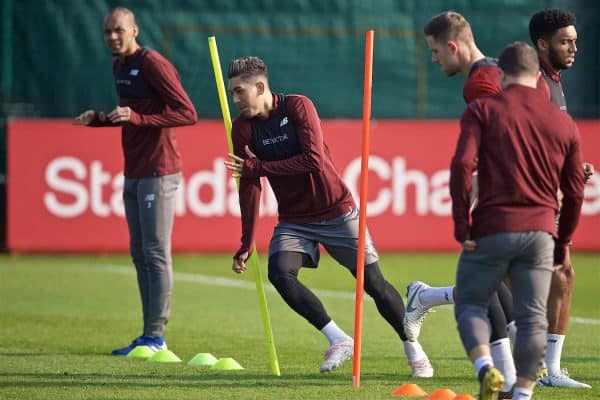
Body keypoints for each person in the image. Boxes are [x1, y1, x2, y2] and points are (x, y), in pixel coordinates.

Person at [223, 56, 433, 377]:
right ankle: (338, 339)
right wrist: (246, 239)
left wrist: (259, 167)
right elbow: (249, 184)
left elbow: (313, 160)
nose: (235, 99)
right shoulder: (243, 128)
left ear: (261, 86)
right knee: (280, 274)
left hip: (337, 210)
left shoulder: (297, 107)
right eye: (232, 93)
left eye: (239, 92)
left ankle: (413, 348)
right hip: (294, 219)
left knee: (373, 284)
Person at [451, 41, 584, 400]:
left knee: (470, 302)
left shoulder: (483, 110)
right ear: (537, 76)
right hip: (541, 231)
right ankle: (524, 394)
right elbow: (574, 192)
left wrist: (462, 223)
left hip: (493, 226)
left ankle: (485, 367)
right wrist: (564, 238)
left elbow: (463, 165)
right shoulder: (563, 122)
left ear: (502, 74)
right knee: (532, 318)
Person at [74, 7, 197, 355]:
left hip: (160, 170)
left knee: (156, 252)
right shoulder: (119, 66)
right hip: (135, 170)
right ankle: (147, 335)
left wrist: (139, 118)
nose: (113, 36)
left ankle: (156, 337)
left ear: (135, 30)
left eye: (119, 30)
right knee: (139, 253)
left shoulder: (153, 64)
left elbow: (187, 113)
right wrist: (101, 120)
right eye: (107, 31)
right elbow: (131, 116)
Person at [406, 11, 517, 395]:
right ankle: (510, 377)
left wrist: (478, 181)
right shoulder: (502, 71)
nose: (434, 59)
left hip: (505, 198)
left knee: (483, 284)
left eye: (436, 52)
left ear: (453, 46)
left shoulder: (479, 85)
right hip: (524, 196)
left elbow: (501, 140)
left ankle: (505, 379)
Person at [529, 8, 593, 388]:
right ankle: (547, 369)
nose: (573, 48)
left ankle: (427, 297)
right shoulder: (536, 83)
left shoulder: (554, 80)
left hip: (543, 191)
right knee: (557, 273)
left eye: (575, 41)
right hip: (531, 195)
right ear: (542, 43)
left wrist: (573, 165)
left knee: (549, 275)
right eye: (565, 41)